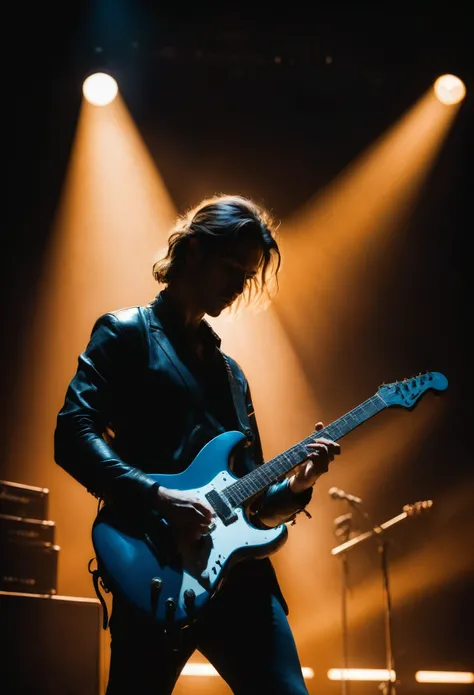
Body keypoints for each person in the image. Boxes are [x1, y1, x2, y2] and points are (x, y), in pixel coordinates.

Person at [54, 193, 341, 695]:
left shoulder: (231, 374)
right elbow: (72, 433)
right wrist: (157, 498)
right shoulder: (125, 333)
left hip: (241, 581)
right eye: (233, 266)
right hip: (154, 566)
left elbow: (251, 504)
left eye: (248, 275)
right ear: (191, 253)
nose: (240, 285)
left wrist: (297, 486)